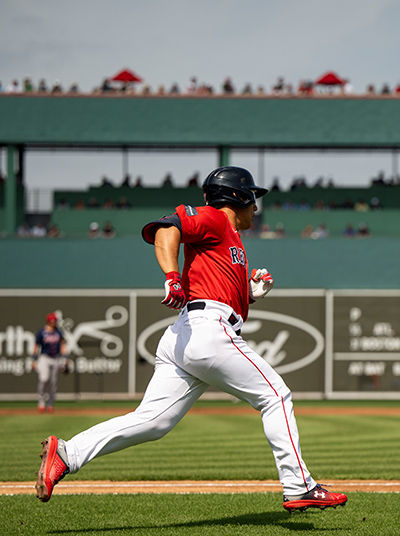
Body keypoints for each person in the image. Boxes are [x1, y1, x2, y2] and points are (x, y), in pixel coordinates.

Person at [34, 166, 347, 513]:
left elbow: (217, 287)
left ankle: (66, 454)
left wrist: (250, 294)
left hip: (188, 334)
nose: (256, 208)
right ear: (237, 197)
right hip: (206, 329)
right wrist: (171, 276)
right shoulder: (214, 218)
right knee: (276, 395)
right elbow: (167, 229)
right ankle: (299, 486)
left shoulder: (230, 237)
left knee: (154, 421)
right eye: (252, 198)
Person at [31, 312, 69, 413]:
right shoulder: (41, 332)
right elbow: (36, 346)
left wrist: (65, 358)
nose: (54, 322)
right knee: (44, 379)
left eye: (55, 320)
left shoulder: (59, 332)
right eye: (52, 320)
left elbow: (62, 345)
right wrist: (34, 359)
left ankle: (50, 404)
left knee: (53, 383)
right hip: (45, 357)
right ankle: (41, 402)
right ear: (48, 321)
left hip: (56, 358)